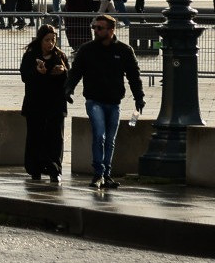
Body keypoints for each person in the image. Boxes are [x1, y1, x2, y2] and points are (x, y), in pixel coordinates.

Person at [66, 14, 145, 189]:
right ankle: (98, 174)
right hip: (94, 101)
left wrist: (139, 97)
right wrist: (68, 89)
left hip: (114, 102)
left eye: (99, 28)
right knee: (99, 135)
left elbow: (134, 76)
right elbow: (75, 72)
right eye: (94, 27)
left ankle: (107, 174)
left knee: (110, 140)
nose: (95, 30)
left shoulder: (124, 50)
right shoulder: (87, 49)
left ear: (111, 30)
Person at [20, 23, 69, 184]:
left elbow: (69, 79)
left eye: (53, 40)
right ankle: (35, 168)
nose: (50, 43)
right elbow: (25, 76)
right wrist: (37, 71)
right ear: (40, 40)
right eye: (47, 40)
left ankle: (54, 169)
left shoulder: (60, 56)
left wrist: (63, 72)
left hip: (55, 104)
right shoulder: (30, 56)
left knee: (55, 138)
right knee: (35, 137)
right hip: (35, 103)